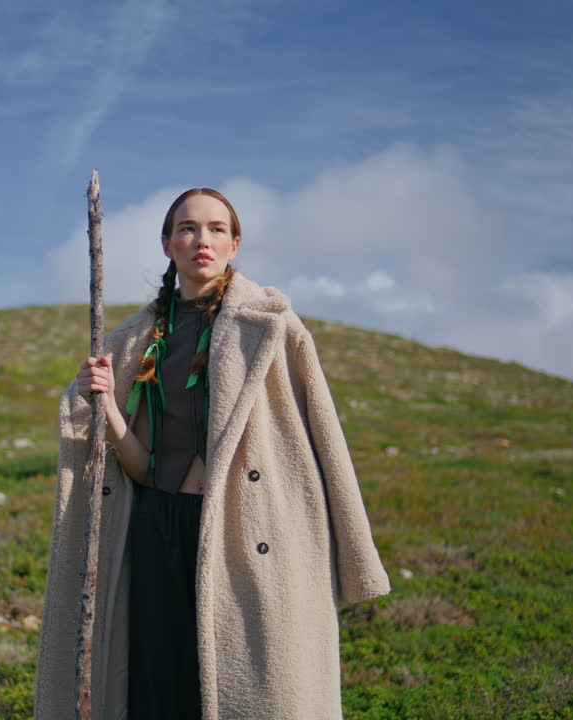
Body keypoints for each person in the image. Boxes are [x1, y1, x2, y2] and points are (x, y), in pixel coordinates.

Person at [35, 188, 390, 720]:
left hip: (246, 532)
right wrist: (105, 406)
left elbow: (324, 441)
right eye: (187, 228)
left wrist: (353, 555)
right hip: (157, 527)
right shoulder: (134, 343)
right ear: (166, 244)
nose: (202, 239)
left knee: (252, 692)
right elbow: (141, 465)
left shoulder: (273, 325)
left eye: (217, 228)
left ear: (234, 243)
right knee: (160, 687)